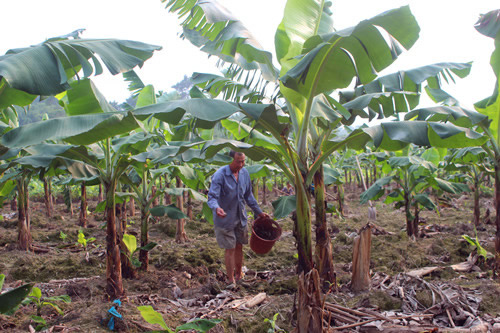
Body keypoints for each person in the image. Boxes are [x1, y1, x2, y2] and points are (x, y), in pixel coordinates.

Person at [207, 150, 269, 286]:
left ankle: (238, 275)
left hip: (240, 217)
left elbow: (248, 196)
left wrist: (259, 212)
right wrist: (216, 208)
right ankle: (230, 280)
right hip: (225, 218)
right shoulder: (220, 175)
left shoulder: (244, 173)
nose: (241, 164)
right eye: (238, 161)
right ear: (229, 160)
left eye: (243, 161)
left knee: (239, 245)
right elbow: (212, 197)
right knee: (230, 248)